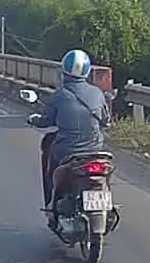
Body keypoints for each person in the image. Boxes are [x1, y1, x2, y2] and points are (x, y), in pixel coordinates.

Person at [29, 49, 112, 218]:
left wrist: (34, 119)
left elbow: (46, 120)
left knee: (51, 170)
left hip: (67, 150)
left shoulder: (60, 95)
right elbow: (106, 119)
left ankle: (52, 204)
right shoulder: (97, 93)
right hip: (94, 149)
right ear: (86, 71)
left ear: (64, 71)